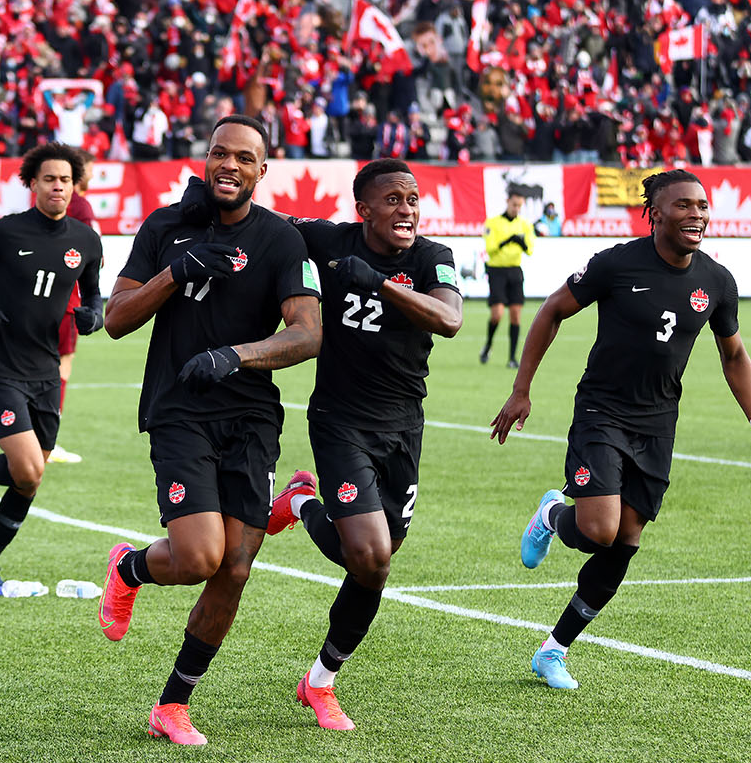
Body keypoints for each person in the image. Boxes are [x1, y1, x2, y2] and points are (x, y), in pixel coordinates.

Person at [490, 169, 751, 691]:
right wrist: (522, 389)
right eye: (683, 206)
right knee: (600, 529)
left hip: (658, 425)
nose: (696, 214)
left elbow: (734, 354)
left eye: (702, 205)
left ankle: (553, 650)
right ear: (654, 212)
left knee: (625, 539)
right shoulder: (616, 263)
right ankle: (552, 513)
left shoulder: (717, 281)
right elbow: (552, 311)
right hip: (602, 413)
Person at [97, 115, 322, 746]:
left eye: (244, 158)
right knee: (199, 557)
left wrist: (235, 355)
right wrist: (177, 273)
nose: (229, 165)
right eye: (219, 153)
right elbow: (115, 319)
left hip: (251, 418)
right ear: (205, 159)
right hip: (179, 409)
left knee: (235, 570)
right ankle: (131, 568)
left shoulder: (281, 240)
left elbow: (307, 333)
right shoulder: (166, 227)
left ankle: (172, 704)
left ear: (261, 171)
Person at [268, 159, 463, 729]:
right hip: (339, 420)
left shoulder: (434, 258)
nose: (407, 209)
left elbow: (449, 320)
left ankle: (302, 502)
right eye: (394, 200)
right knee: (370, 557)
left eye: (413, 199)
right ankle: (324, 684)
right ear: (364, 210)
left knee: (379, 559)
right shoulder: (329, 239)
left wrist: (376, 282)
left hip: (403, 425)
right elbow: (266, 221)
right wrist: (202, 203)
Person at [0, 143, 103, 595]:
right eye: (49, 179)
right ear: (32, 183)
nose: (58, 186)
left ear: (74, 186)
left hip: (46, 372)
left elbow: (94, 294)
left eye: (65, 180)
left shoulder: (86, 240)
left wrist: (93, 315)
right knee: (29, 470)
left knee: (29, 474)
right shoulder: (4, 232)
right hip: (1, 366)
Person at [48, 163, 100, 465]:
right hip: (67, 300)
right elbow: (95, 252)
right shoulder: (79, 205)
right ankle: (48, 439)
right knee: (61, 367)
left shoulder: (45, 203)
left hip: (41, 298)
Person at [480, 192, 535, 368]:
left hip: (515, 271)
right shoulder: (493, 223)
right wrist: (507, 241)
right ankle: (488, 344)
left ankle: (512, 358)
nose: (516, 208)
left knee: (515, 316)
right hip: (497, 270)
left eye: (519, 205)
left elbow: (530, 250)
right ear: (507, 202)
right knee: (497, 314)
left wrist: (521, 243)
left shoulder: (525, 225)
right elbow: (490, 248)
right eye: (514, 204)